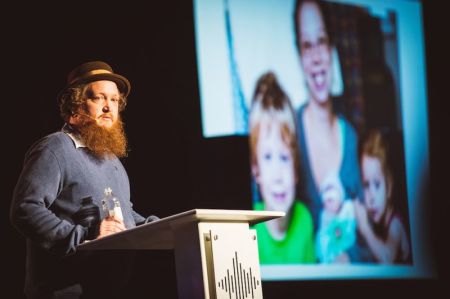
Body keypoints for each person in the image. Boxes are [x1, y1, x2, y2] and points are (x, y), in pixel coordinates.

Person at [10, 61, 157, 299]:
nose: (109, 107)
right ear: (75, 107)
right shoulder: (55, 148)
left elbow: (121, 213)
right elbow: (25, 209)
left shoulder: (111, 159)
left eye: (115, 100)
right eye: (99, 98)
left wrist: (157, 227)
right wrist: (83, 236)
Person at [293, 0, 367, 262]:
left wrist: (349, 258)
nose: (316, 56)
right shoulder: (289, 131)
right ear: (300, 57)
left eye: (321, 41)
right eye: (306, 45)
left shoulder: (353, 137)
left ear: (332, 48)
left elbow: (363, 231)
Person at [249, 71, 315, 264]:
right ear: (256, 170)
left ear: (295, 167)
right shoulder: (246, 227)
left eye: (285, 158)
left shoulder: (304, 221)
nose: (278, 175)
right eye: (268, 157)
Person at [354, 130, 411, 263]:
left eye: (377, 184)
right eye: (366, 185)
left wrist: (365, 228)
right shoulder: (380, 222)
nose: (371, 197)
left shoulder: (395, 223)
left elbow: (387, 258)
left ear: (389, 186)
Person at [316, 171, 356, 263]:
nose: (329, 194)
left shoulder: (347, 212)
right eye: (325, 190)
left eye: (332, 189)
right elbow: (322, 245)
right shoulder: (324, 218)